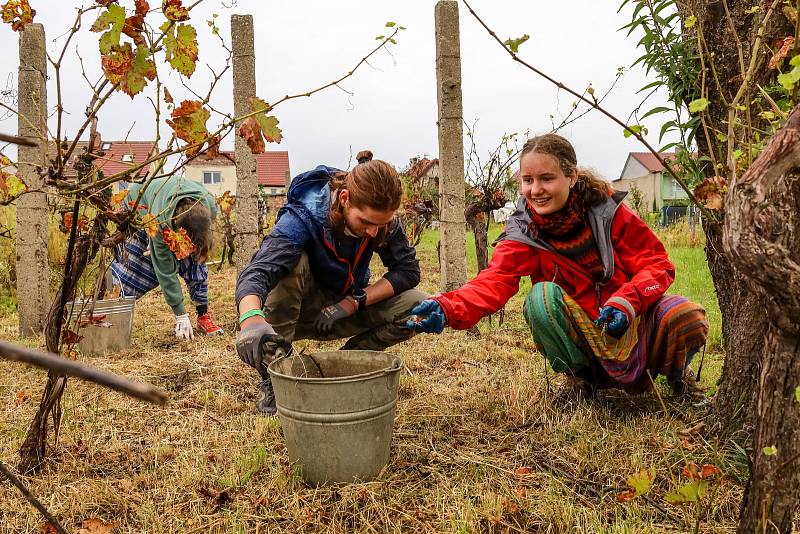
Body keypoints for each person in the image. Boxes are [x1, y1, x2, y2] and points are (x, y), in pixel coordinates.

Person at [407, 134, 708, 403]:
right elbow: (494, 281)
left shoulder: (609, 213)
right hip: (582, 330)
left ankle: (679, 375)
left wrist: (628, 300)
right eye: (527, 180)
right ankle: (581, 380)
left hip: (629, 319)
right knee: (540, 299)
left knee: (686, 316)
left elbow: (657, 264)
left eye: (546, 179)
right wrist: (447, 307)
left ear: (572, 176)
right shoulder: (525, 231)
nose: (536, 189)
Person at [235, 158, 426, 414]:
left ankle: (349, 361)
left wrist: (353, 302)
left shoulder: (382, 223)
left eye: (381, 224)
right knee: (292, 263)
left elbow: (408, 271)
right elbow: (258, 271)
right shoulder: (304, 216)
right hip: (298, 312)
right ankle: (276, 376)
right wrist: (251, 319)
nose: (373, 232)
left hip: (343, 307)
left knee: (418, 305)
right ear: (345, 198)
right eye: (366, 222)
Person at [110, 176, 224, 339]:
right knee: (136, 272)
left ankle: (203, 315)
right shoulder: (159, 219)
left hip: (168, 209)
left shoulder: (209, 205)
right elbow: (164, 270)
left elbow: (199, 242)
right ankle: (110, 318)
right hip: (137, 208)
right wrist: (180, 315)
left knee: (196, 262)